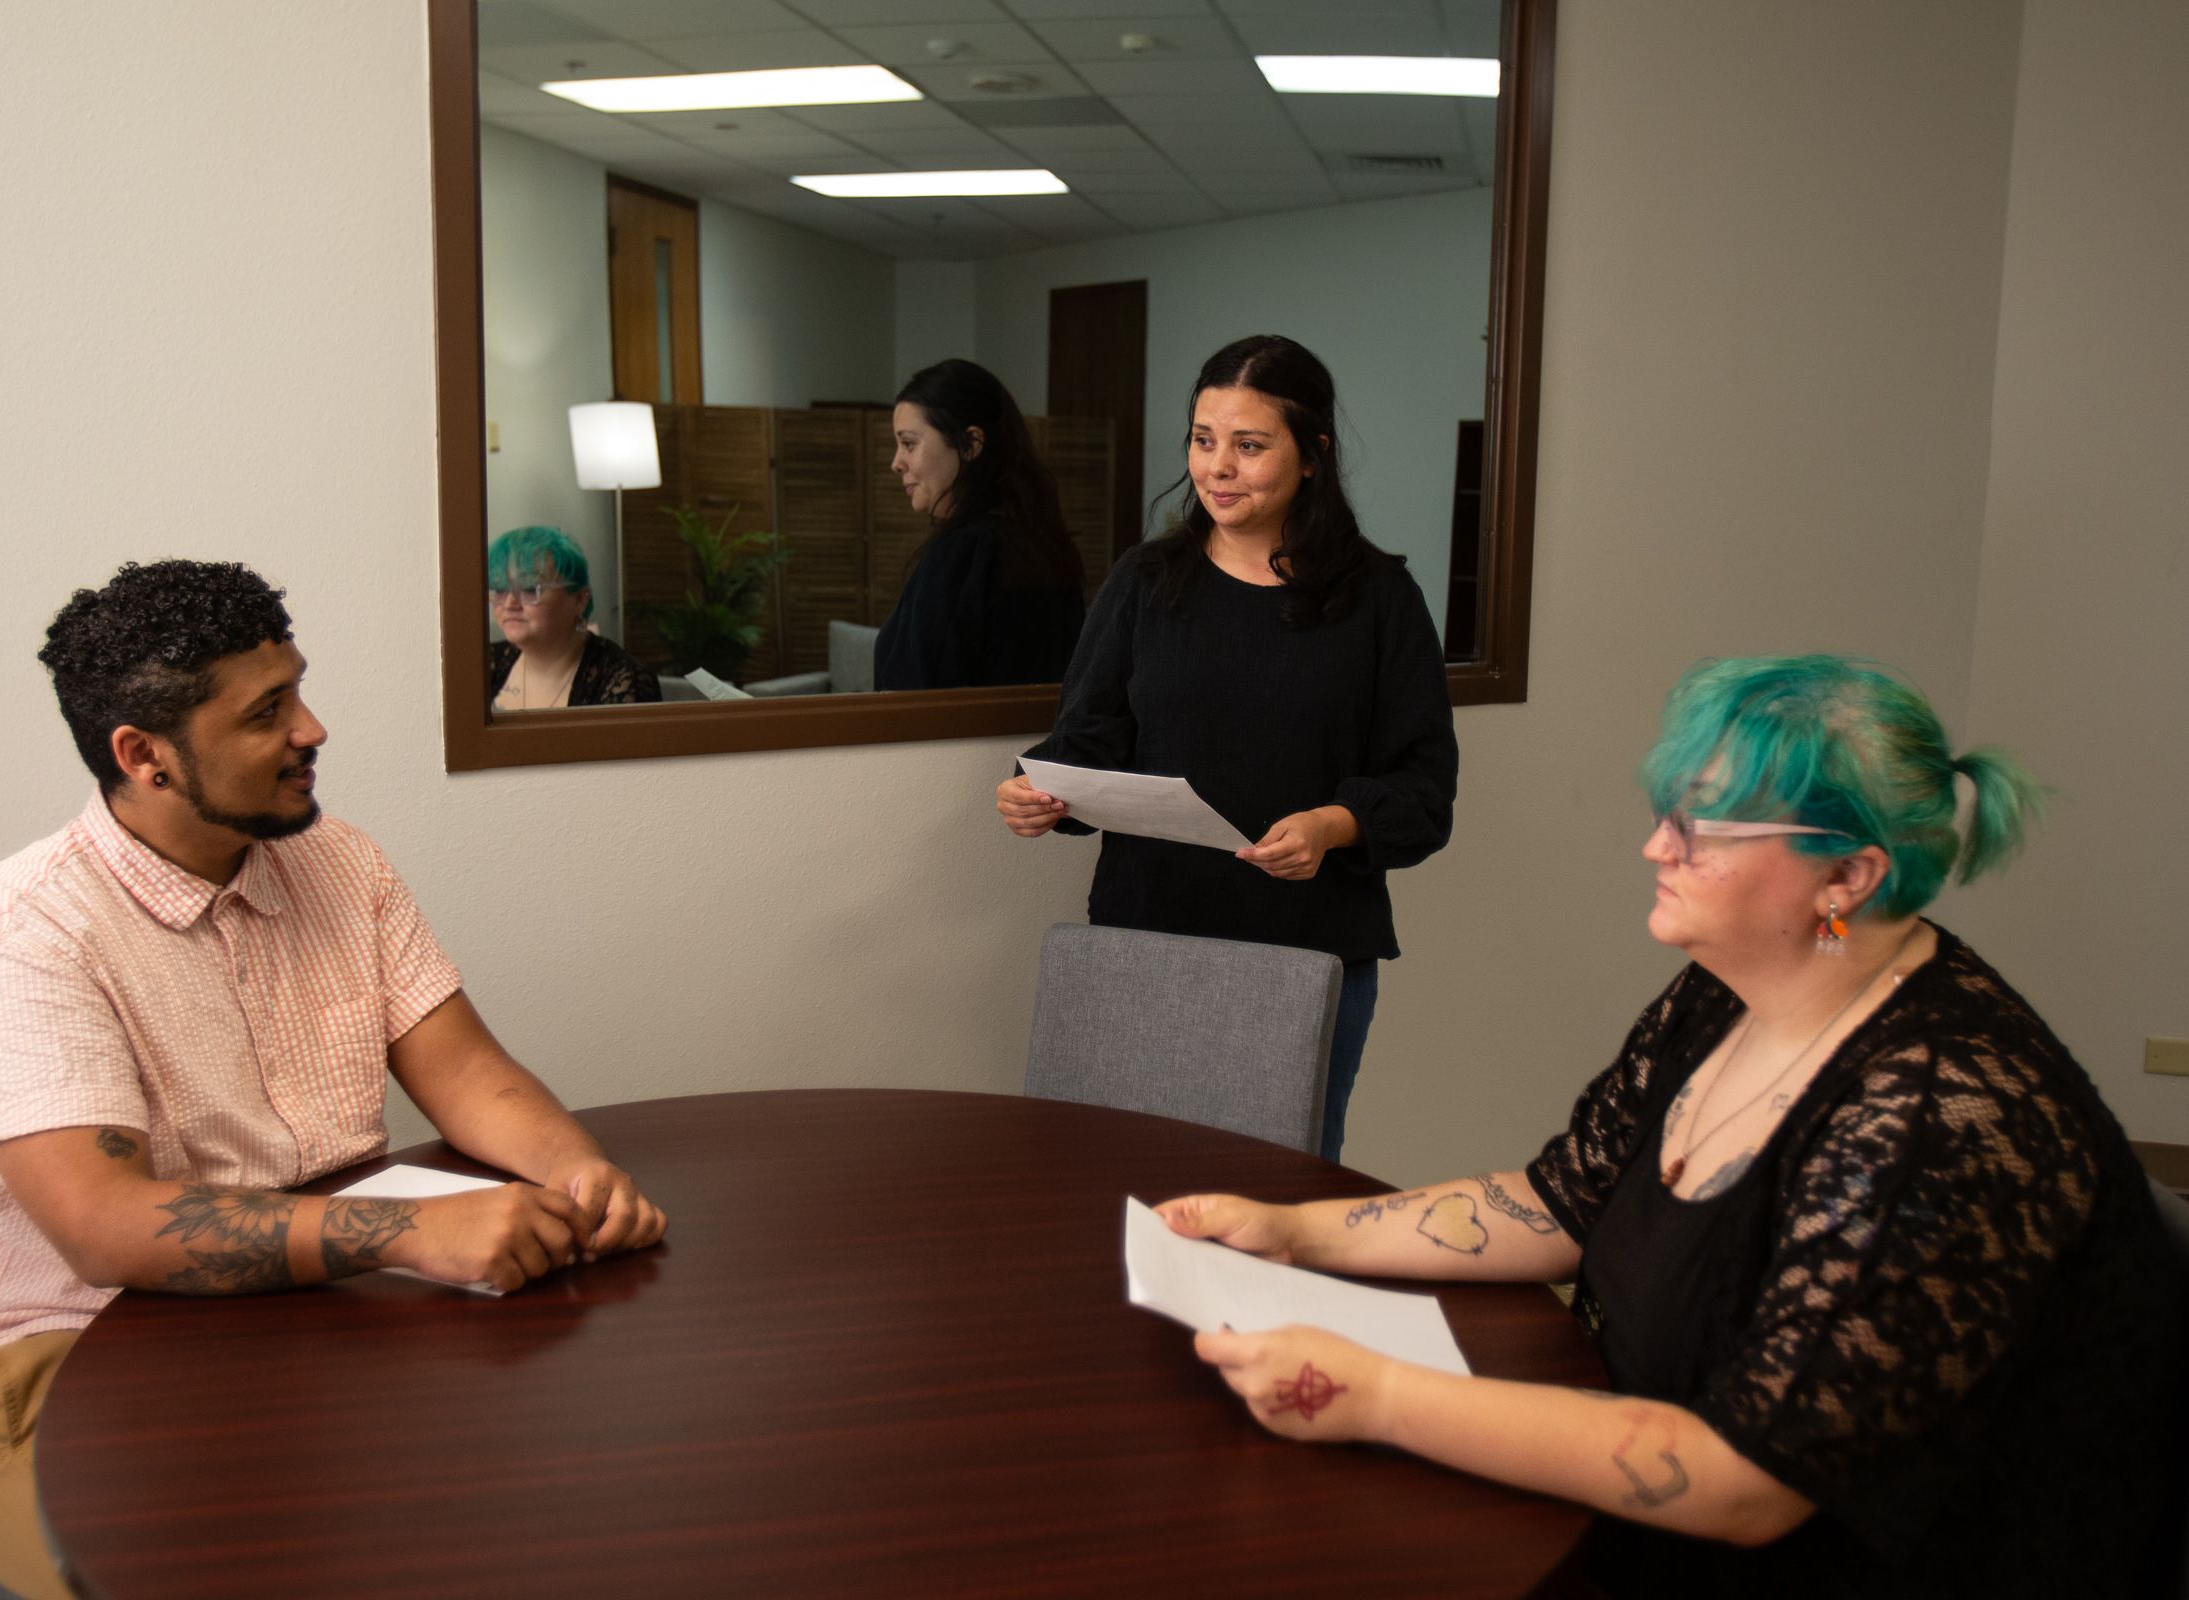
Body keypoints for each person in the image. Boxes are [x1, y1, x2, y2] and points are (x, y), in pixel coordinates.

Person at [1158, 655, 2187, 1597]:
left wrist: (1379, 1396)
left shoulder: (1939, 1116)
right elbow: (1563, 1197)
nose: (1657, 846)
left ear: (1849, 877)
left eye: (1700, 829)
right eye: (1668, 813)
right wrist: (1294, 1230)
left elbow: (1748, 1480)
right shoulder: (1728, 987)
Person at [0, 560, 668, 1600]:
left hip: (297, 1309)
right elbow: (103, 1225)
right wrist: (409, 1232)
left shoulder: (342, 863)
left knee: (543, 1514)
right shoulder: (23, 933)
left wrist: (581, 1175)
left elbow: (469, 1072)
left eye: (297, 689)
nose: (313, 728)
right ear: (145, 756)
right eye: (268, 711)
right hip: (50, 1359)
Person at [996, 334, 1458, 1162]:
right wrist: (1039, 793)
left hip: (1307, 954)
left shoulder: (1379, 598)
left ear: (1313, 453)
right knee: (1112, 1184)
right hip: (1146, 939)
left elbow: (1424, 789)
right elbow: (1087, 742)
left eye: (1249, 446)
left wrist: (1330, 824)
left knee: (1280, 1201)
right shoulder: (1145, 581)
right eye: (1204, 441)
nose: (1218, 467)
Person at [873, 359, 1086, 691]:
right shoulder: (1048, 546)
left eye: (909, 443)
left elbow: (916, 703)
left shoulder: (965, 551)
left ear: (970, 444)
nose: (896, 463)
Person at [486, 524, 658, 710]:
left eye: (529, 588)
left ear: (580, 599)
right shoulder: (485, 661)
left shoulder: (624, 679)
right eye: (500, 590)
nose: (510, 603)